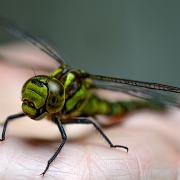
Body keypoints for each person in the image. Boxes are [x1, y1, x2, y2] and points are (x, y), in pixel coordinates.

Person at [0, 43, 180, 179]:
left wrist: (47, 167)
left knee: (91, 121)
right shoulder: (49, 96)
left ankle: (153, 106)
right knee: (9, 118)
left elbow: (66, 138)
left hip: (103, 106)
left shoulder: (61, 100)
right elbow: (8, 119)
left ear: (55, 98)